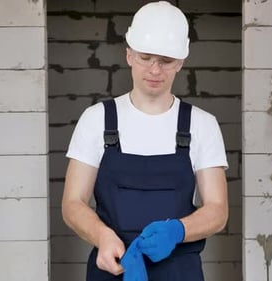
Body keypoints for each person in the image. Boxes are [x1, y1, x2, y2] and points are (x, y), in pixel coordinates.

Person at [61, 1, 228, 280]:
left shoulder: (202, 124)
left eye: (166, 61)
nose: (154, 70)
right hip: (113, 266)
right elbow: (72, 203)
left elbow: (218, 210)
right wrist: (102, 236)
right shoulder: (96, 120)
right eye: (145, 57)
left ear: (181, 62)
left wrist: (178, 230)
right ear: (129, 55)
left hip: (179, 271)